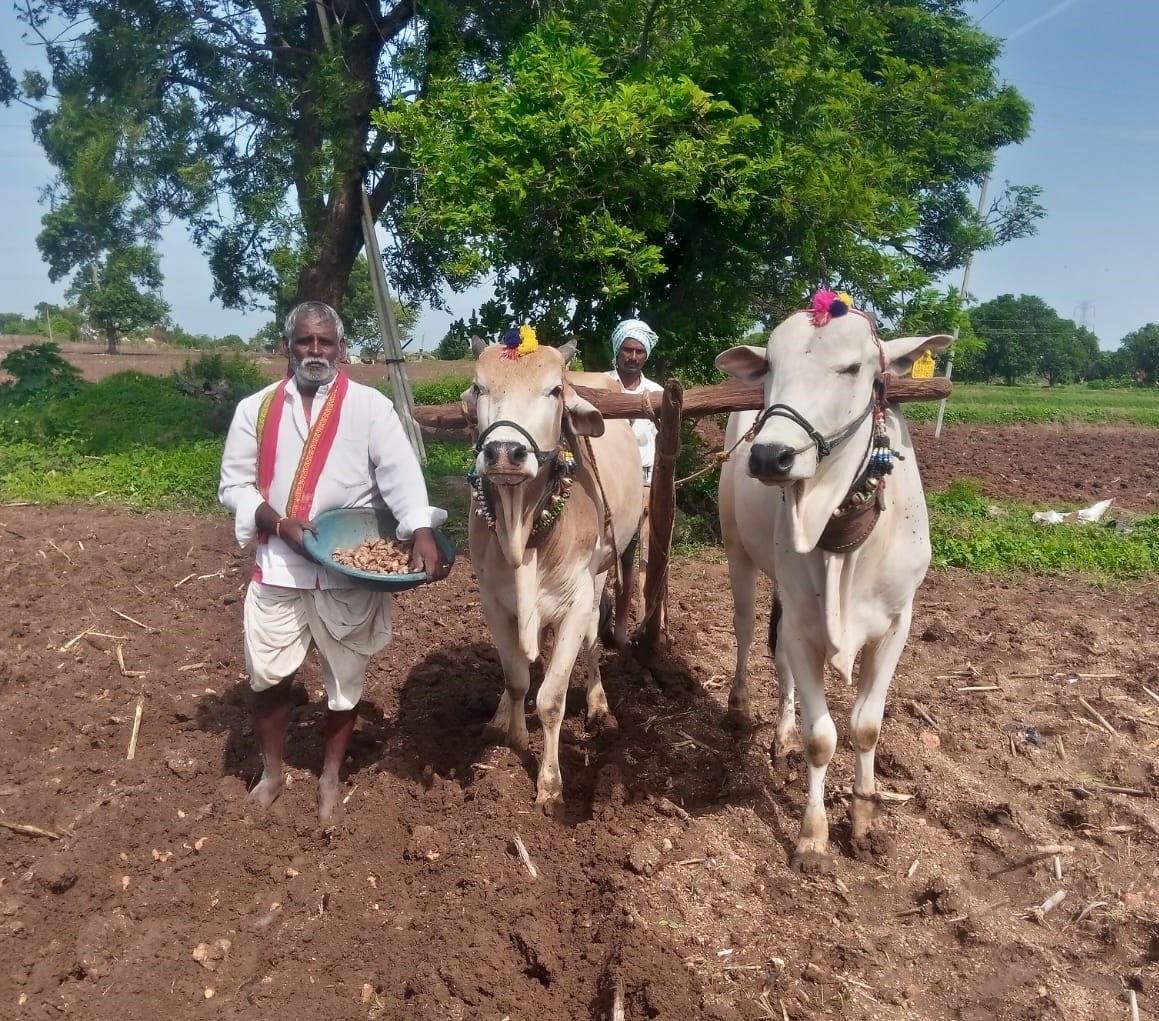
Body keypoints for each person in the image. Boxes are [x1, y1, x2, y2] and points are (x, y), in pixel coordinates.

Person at [219, 301, 451, 823]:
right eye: (305, 341)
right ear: (289, 346)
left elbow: (399, 472)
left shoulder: (369, 407)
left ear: (341, 348)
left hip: (348, 567)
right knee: (267, 674)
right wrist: (278, 524)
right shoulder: (254, 409)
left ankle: (329, 775)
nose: (316, 351)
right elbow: (232, 485)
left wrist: (421, 528)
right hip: (279, 563)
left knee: (345, 679)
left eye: (326, 342)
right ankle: (273, 772)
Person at [606, 318, 665, 644]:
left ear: (646, 355)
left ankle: (643, 626)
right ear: (618, 351)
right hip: (610, 484)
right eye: (627, 349)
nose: (632, 356)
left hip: (646, 484)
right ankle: (606, 622)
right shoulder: (601, 386)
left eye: (639, 351)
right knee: (607, 559)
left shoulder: (657, 393)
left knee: (645, 559)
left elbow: (666, 444)